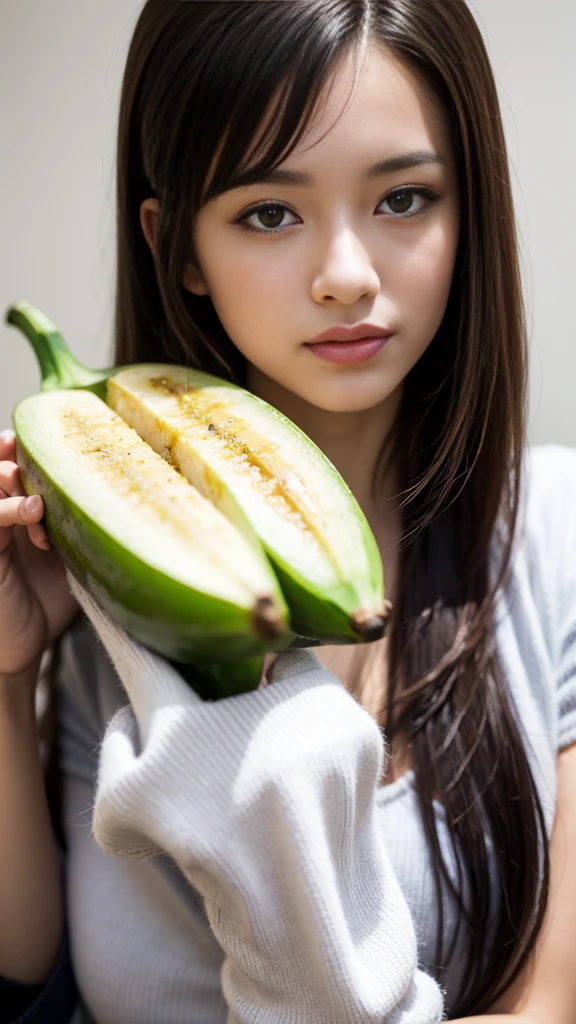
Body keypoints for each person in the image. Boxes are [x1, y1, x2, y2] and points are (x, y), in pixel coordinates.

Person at [1, 1, 575, 1021]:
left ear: (469, 209)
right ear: (177, 246)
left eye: (405, 197)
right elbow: (23, 961)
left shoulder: (560, 539)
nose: (346, 277)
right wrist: (6, 674)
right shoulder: (104, 600)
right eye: (270, 212)